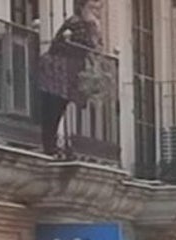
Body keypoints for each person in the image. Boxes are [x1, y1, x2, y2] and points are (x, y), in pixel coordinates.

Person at [38, 0, 104, 155]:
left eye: (98, 8)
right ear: (82, 7)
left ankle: (51, 144)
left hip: (66, 74)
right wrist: (94, 28)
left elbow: (96, 48)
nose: (96, 11)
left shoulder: (87, 25)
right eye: (92, 7)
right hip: (57, 73)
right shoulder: (76, 23)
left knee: (58, 108)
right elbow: (88, 45)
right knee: (53, 109)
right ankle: (50, 144)